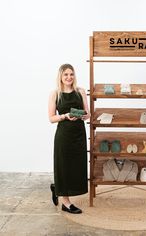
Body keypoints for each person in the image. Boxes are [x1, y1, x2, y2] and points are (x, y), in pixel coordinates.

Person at [48, 64, 90, 214]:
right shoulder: (55, 94)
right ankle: (66, 202)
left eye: (71, 74)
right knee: (64, 166)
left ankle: (57, 187)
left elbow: (88, 114)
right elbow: (51, 118)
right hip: (64, 135)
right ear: (60, 76)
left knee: (76, 166)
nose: (69, 77)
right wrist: (65, 116)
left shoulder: (81, 91)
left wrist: (85, 115)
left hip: (79, 134)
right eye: (65, 74)